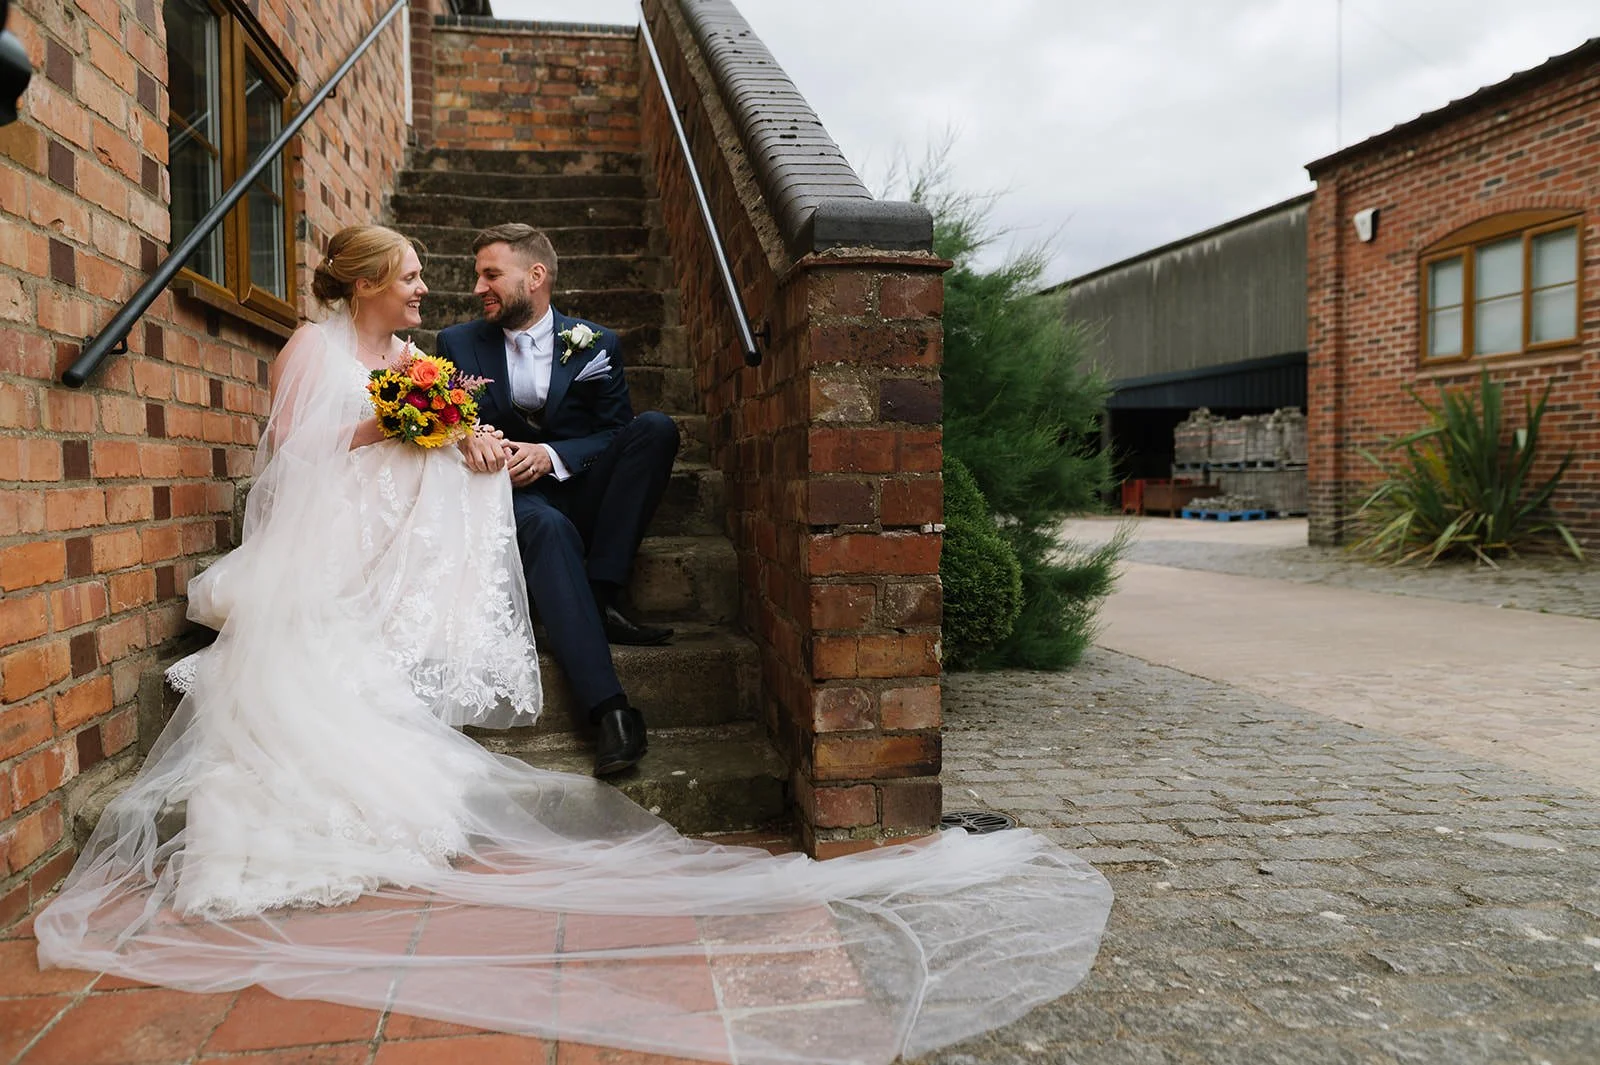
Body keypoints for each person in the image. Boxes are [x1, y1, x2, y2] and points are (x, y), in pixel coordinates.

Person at [34, 224, 1114, 1065]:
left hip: (540, 484)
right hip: (389, 509)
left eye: (479, 273)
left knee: (617, 459)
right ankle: (603, 691)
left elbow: (558, 425)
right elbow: (316, 450)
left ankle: (603, 609)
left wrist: (504, 446)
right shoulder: (378, 351)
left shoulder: (573, 342)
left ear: (536, 277)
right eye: (423, 276)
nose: (450, 290)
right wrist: (421, 427)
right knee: (532, 528)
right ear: (367, 284)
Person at [436, 223, 678, 777]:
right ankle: (611, 712)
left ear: (535, 276)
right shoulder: (457, 344)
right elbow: (449, 427)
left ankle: (599, 592)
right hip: (513, 499)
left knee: (655, 429)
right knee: (547, 528)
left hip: (581, 489)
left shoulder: (596, 342)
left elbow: (615, 433)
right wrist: (476, 443)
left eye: (491, 275)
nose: (478, 288)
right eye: (477, 276)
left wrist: (551, 454)